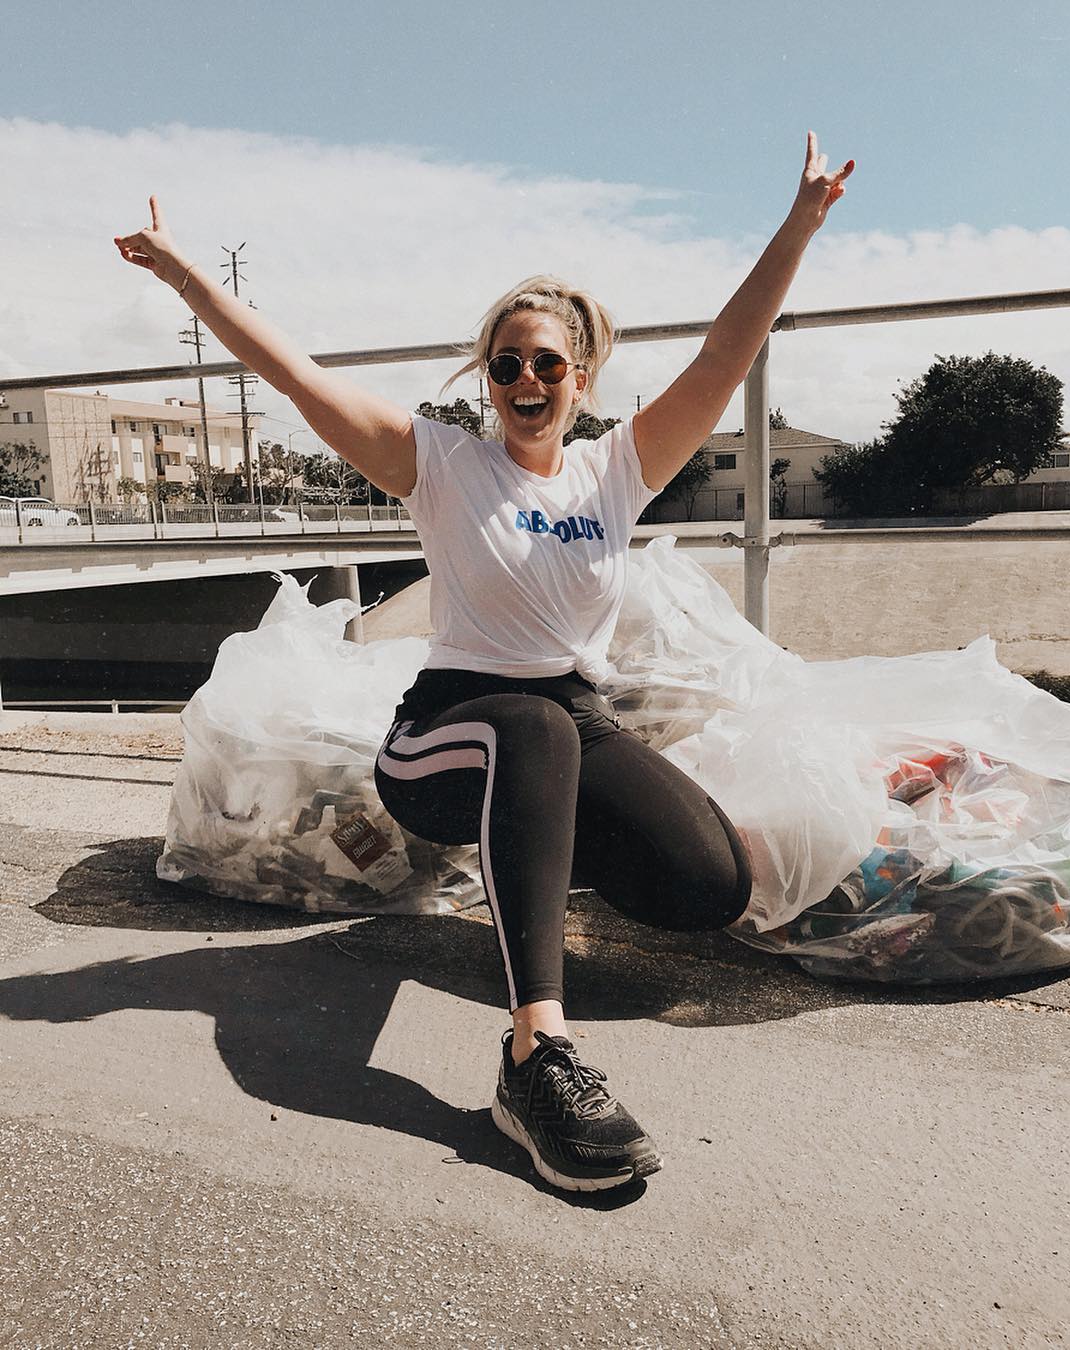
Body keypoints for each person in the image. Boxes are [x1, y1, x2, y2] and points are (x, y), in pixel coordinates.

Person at [115, 131, 854, 1193]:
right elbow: (295, 374)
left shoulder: (616, 470)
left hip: (568, 721)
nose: (525, 379)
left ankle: (526, 869)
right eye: (506, 364)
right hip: (442, 737)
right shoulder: (441, 463)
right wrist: (183, 272)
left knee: (708, 884)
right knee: (531, 728)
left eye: (546, 363)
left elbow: (724, 358)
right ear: (487, 379)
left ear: (580, 379)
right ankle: (535, 1054)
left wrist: (799, 226)